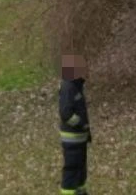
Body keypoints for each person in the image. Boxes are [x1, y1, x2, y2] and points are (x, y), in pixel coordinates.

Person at [58, 54, 90, 194]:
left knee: (80, 169)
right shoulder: (68, 87)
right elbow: (66, 113)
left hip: (79, 137)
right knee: (71, 170)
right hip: (72, 137)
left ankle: (81, 191)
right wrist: (80, 124)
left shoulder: (76, 85)